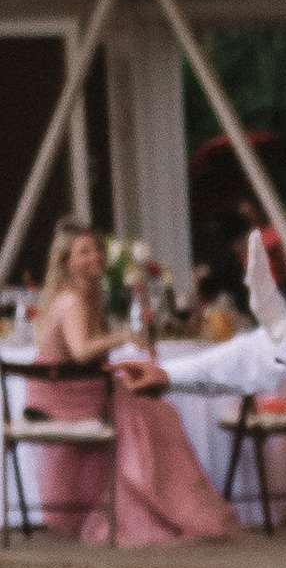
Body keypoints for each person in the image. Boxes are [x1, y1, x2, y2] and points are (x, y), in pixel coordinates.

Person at [29, 217, 242, 542]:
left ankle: (164, 504)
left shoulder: (87, 296)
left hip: (80, 387)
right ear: (66, 260)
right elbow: (82, 351)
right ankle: (161, 507)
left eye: (98, 249)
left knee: (153, 409)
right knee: (149, 414)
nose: (95, 257)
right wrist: (125, 335)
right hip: (65, 396)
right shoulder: (72, 299)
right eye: (84, 252)